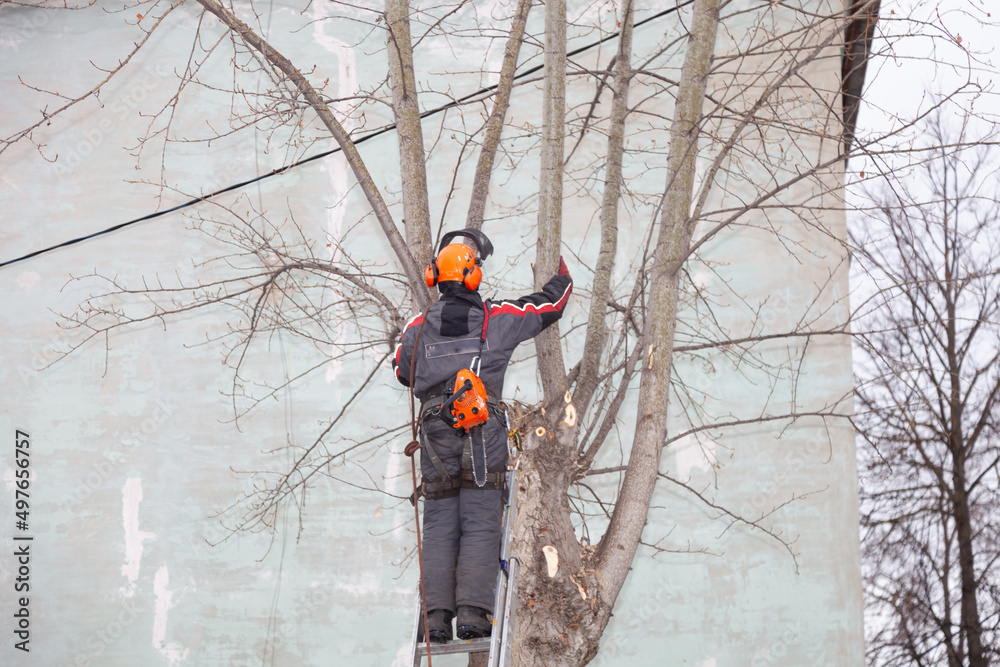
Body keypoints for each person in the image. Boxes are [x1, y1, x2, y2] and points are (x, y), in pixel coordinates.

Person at [393, 229, 572, 642]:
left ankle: (436, 617)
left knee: (438, 521)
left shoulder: (417, 327)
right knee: (480, 516)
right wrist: (561, 276)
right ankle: (473, 612)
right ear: (473, 276)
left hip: (435, 431)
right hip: (480, 430)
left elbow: (403, 371)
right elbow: (547, 307)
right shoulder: (496, 319)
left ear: (434, 276)